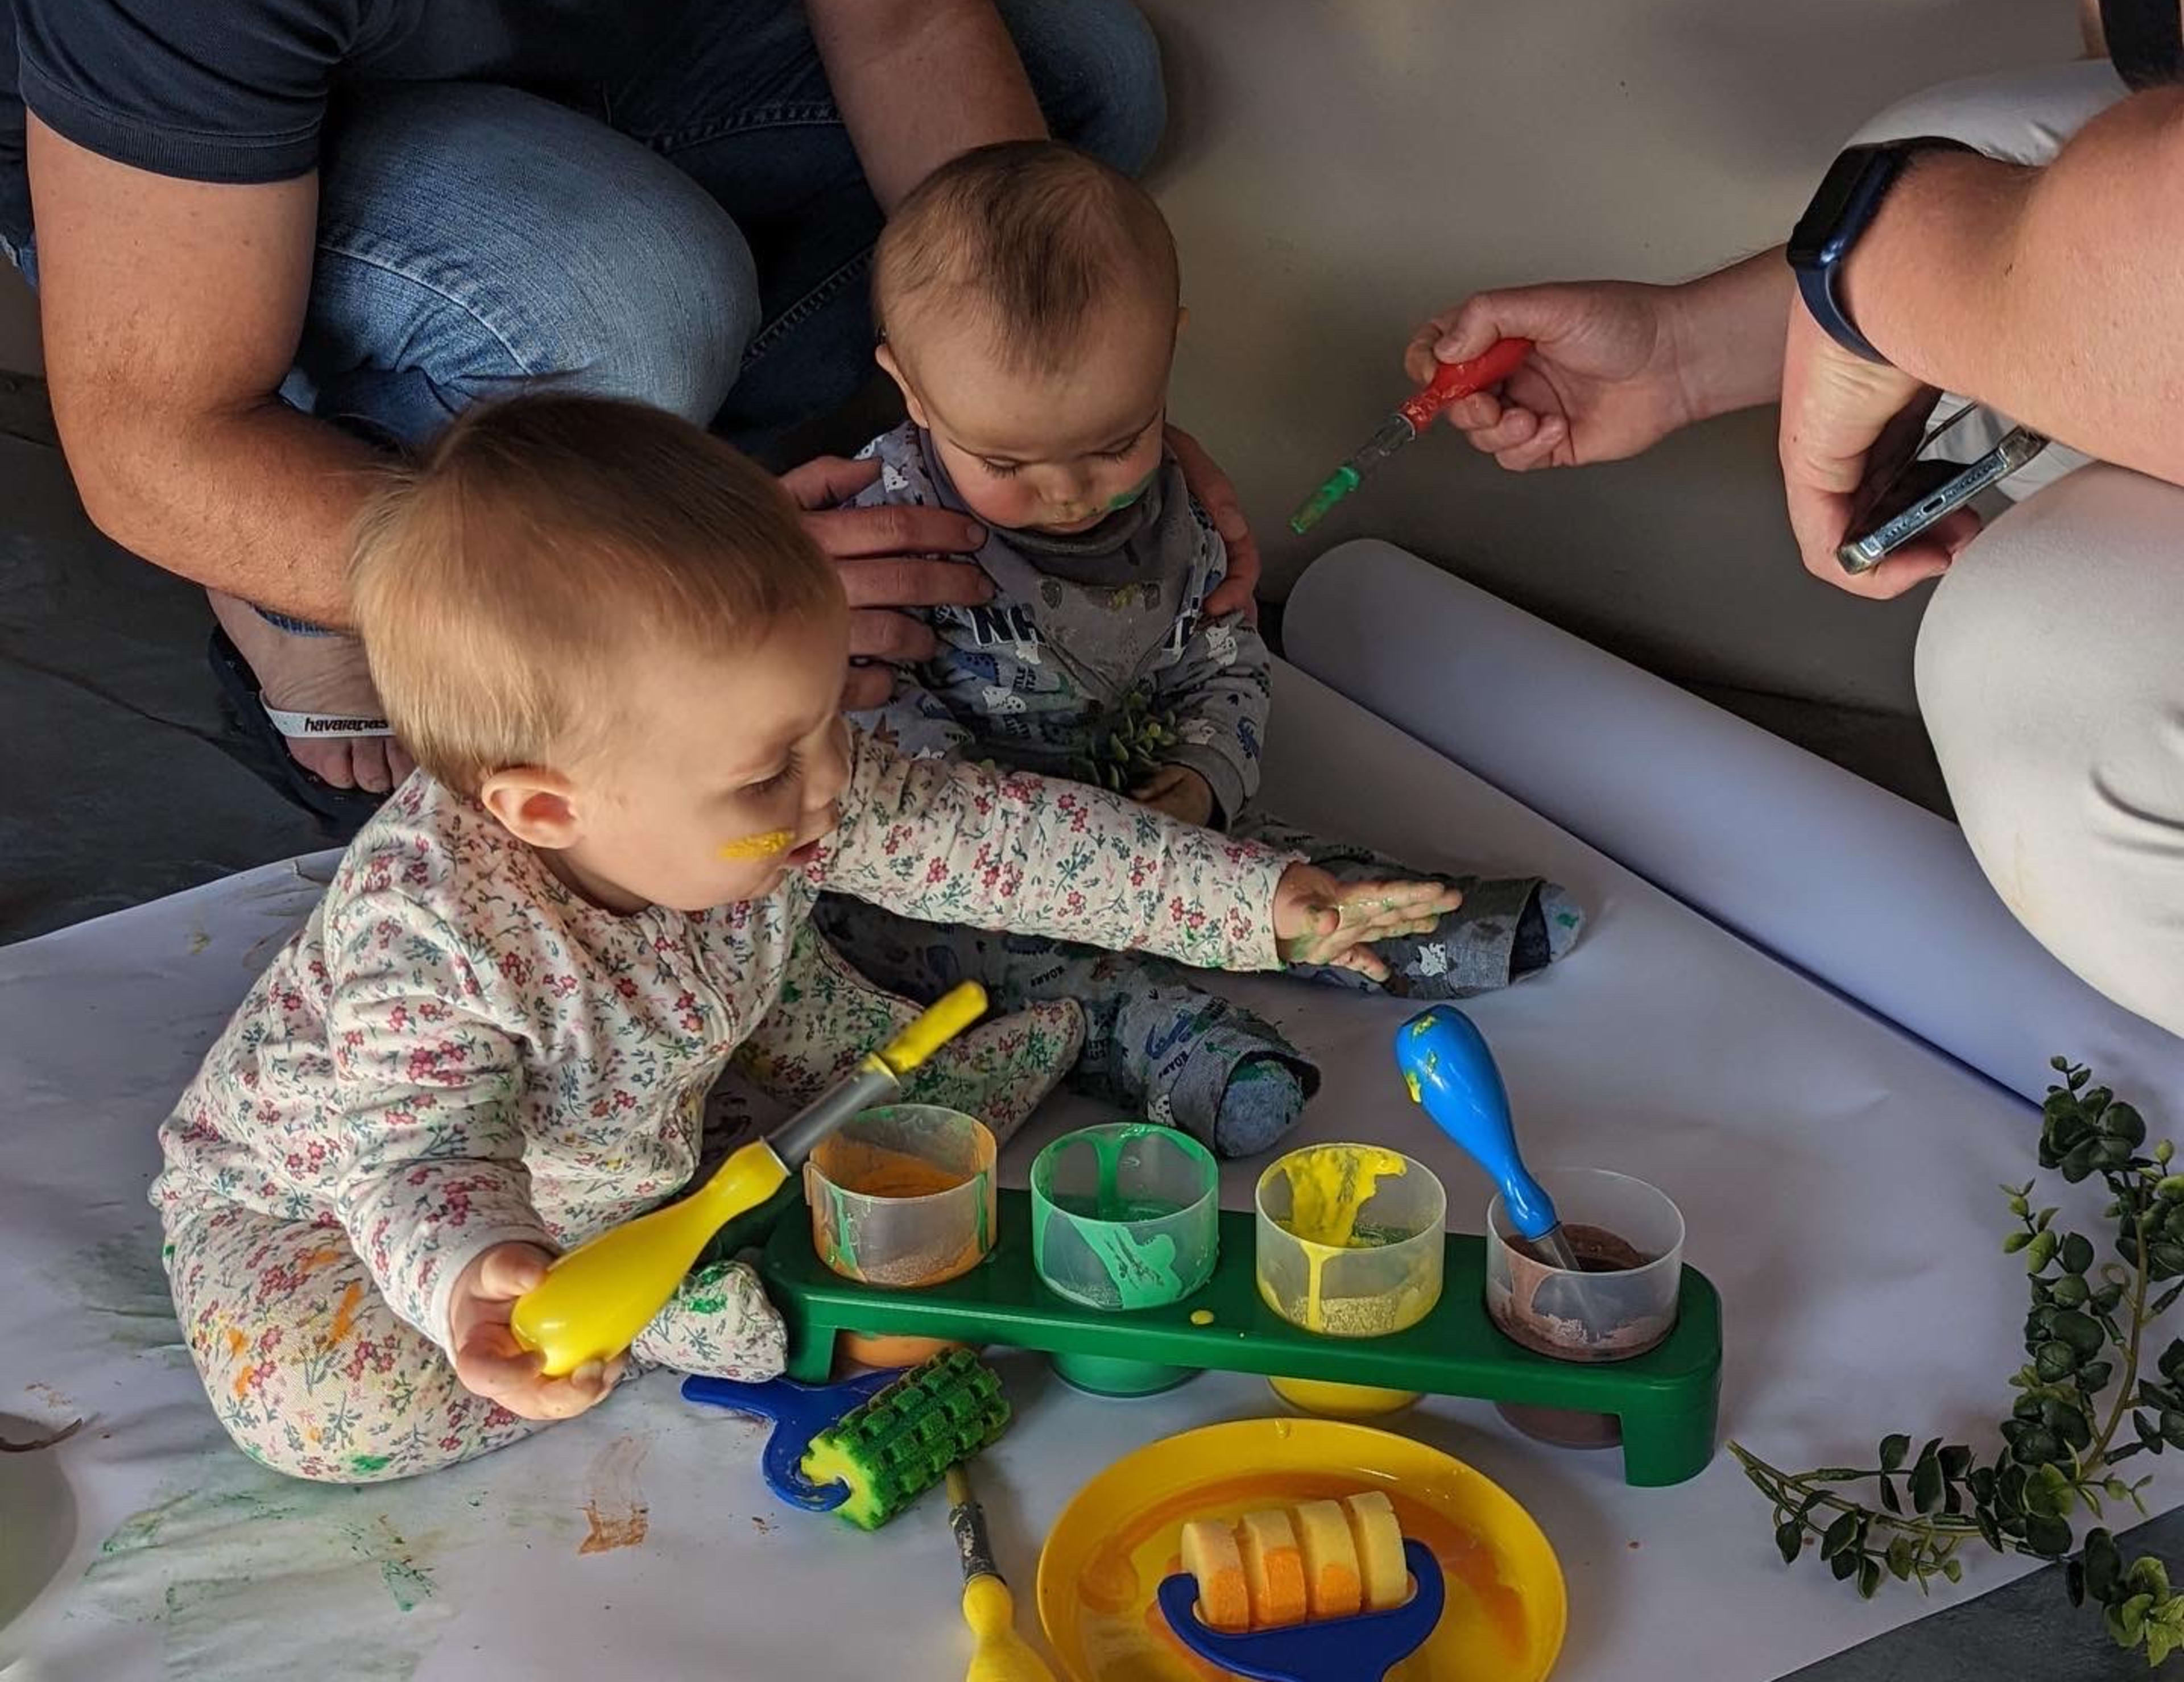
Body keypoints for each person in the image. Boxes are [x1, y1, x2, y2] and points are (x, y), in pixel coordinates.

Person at [0, 0, 1255, 831]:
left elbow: (904, 9)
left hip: (578, 5)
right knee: (629, 297)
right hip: (197, 190)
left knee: (1078, 86)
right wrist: (677, 589)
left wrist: (1051, 417)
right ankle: (340, 533)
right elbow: (150, 436)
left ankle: (611, 454)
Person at [150, 391, 1445, 1483]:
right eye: (771, 769)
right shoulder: (425, 944)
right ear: (550, 808)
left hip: (653, 1091)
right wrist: (480, 1280)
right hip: (338, 1201)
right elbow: (421, 1154)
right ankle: (672, 1306)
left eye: (832, 715)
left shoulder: (755, 801)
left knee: (841, 990)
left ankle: (807, 1136)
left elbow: (1007, 841)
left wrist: (1257, 902)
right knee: (321, 1405)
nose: (833, 782)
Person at [1407, 0, 2184, 1034]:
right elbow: (2120, 172)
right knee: (1943, 156)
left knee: (2048, 681)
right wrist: (1711, 344)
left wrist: (1868, 266)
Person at [813, 140, 1581, 1155]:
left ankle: (1386, 920)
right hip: (962, 865)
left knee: (1260, 859)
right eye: (1005, 461)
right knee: (1027, 968)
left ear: (1167, 356)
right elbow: (864, 720)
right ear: (909, 390)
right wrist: (1034, 832)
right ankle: (1181, 1052)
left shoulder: (1179, 502)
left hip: (1145, 809)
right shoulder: (886, 526)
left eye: (1114, 442)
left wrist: (1199, 780)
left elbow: (1225, 655)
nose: (1071, 491)